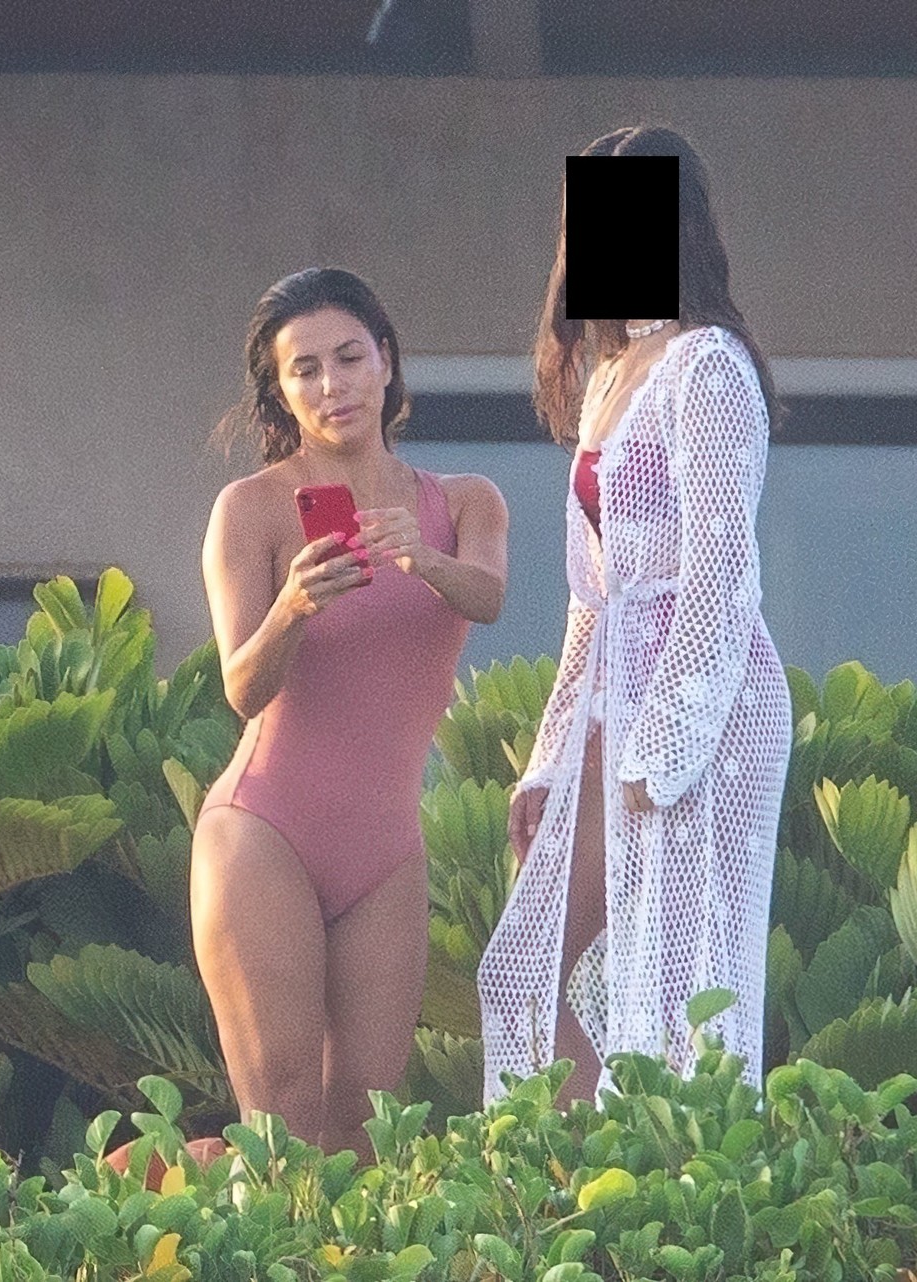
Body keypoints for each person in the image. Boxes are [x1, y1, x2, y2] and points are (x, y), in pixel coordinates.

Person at [477, 126, 790, 1107]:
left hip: (704, 708)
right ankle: (582, 1175)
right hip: (614, 698)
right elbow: (592, 598)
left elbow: (720, 572)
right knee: (528, 971)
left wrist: (667, 746)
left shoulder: (709, 365)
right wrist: (548, 759)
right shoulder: (611, 378)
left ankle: (669, 1175)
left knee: (677, 989)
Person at [192, 267, 508, 1155]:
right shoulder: (250, 511)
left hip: (386, 852)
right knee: (282, 1121)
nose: (332, 385)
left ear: (387, 363)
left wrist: (423, 559)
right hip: (265, 831)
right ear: (281, 391)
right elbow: (242, 687)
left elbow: (487, 596)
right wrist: (292, 606)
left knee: (368, 1130)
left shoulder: (465, 502)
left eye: (349, 358)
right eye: (305, 370)